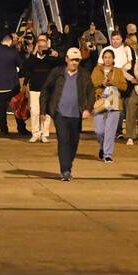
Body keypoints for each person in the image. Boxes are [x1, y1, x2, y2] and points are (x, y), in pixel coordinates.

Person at [41, 47, 94, 181]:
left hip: (76, 114)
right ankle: (65, 170)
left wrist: (88, 108)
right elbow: (46, 90)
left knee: (74, 142)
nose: (74, 63)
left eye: (77, 60)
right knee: (63, 141)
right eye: (72, 60)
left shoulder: (84, 74)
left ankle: (67, 165)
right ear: (66, 59)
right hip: (60, 114)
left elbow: (91, 92)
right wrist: (43, 111)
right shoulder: (57, 73)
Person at [90, 48, 127, 162]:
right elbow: (91, 84)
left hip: (114, 101)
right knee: (99, 130)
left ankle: (108, 154)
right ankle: (102, 147)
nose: (107, 59)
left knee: (110, 130)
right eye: (105, 57)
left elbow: (124, 86)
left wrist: (113, 82)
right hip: (100, 101)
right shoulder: (97, 70)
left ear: (113, 59)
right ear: (102, 59)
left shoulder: (118, 71)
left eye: (109, 57)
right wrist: (102, 83)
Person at [22, 34, 60, 142]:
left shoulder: (50, 59)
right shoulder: (33, 58)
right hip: (35, 88)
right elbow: (27, 67)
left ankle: (44, 133)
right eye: (40, 47)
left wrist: (55, 55)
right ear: (37, 47)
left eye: (44, 47)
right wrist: (33, 53)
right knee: (35, 111)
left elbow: (59, 64)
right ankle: (35, 133)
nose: (42, 49)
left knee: (47, 112)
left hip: (48, 89)